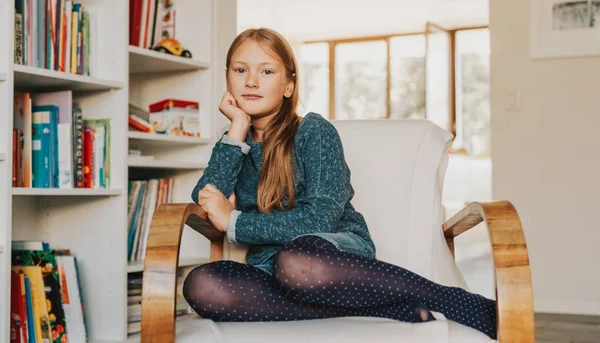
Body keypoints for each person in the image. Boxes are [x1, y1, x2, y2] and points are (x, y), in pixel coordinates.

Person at [184, 28, 497, 339]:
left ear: (289, 85)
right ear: (228, 79)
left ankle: (454, 301)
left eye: (266, 71)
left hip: (327, 258)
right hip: (269, 270)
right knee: (202, 285)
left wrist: (234, 222)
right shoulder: (233, 145)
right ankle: (380, 307)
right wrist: (237, 130)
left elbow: (318, 219)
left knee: (295, 261)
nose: (251, 81)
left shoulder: (314, 132)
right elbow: (207, 198)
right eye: (241, 70)